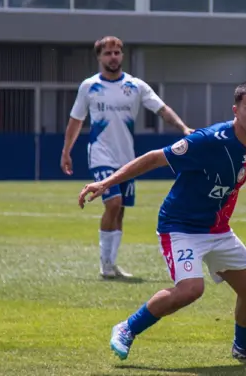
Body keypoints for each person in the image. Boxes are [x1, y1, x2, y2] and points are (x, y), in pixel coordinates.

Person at [78, 81, 246, 361]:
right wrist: (107, 182)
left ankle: (244, 348)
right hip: (180, 227)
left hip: (218, 230)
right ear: (236, 110)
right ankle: (128, 327)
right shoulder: (208, 140)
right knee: (191, 289)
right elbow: (154, 158)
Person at [62, 36, 194, 280]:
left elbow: (162, 109)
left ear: (122, 55)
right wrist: (66, 150)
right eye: (108, 53)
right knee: (112, 203)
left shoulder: (136, 86)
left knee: (120, 210)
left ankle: (112, 264)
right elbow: (76, 120)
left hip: (127, 158)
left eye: (117, 52)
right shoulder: (89, 86)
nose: (113, 57)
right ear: (99, 57)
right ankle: (105, 265)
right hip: (101, 155)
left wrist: (183, 128)